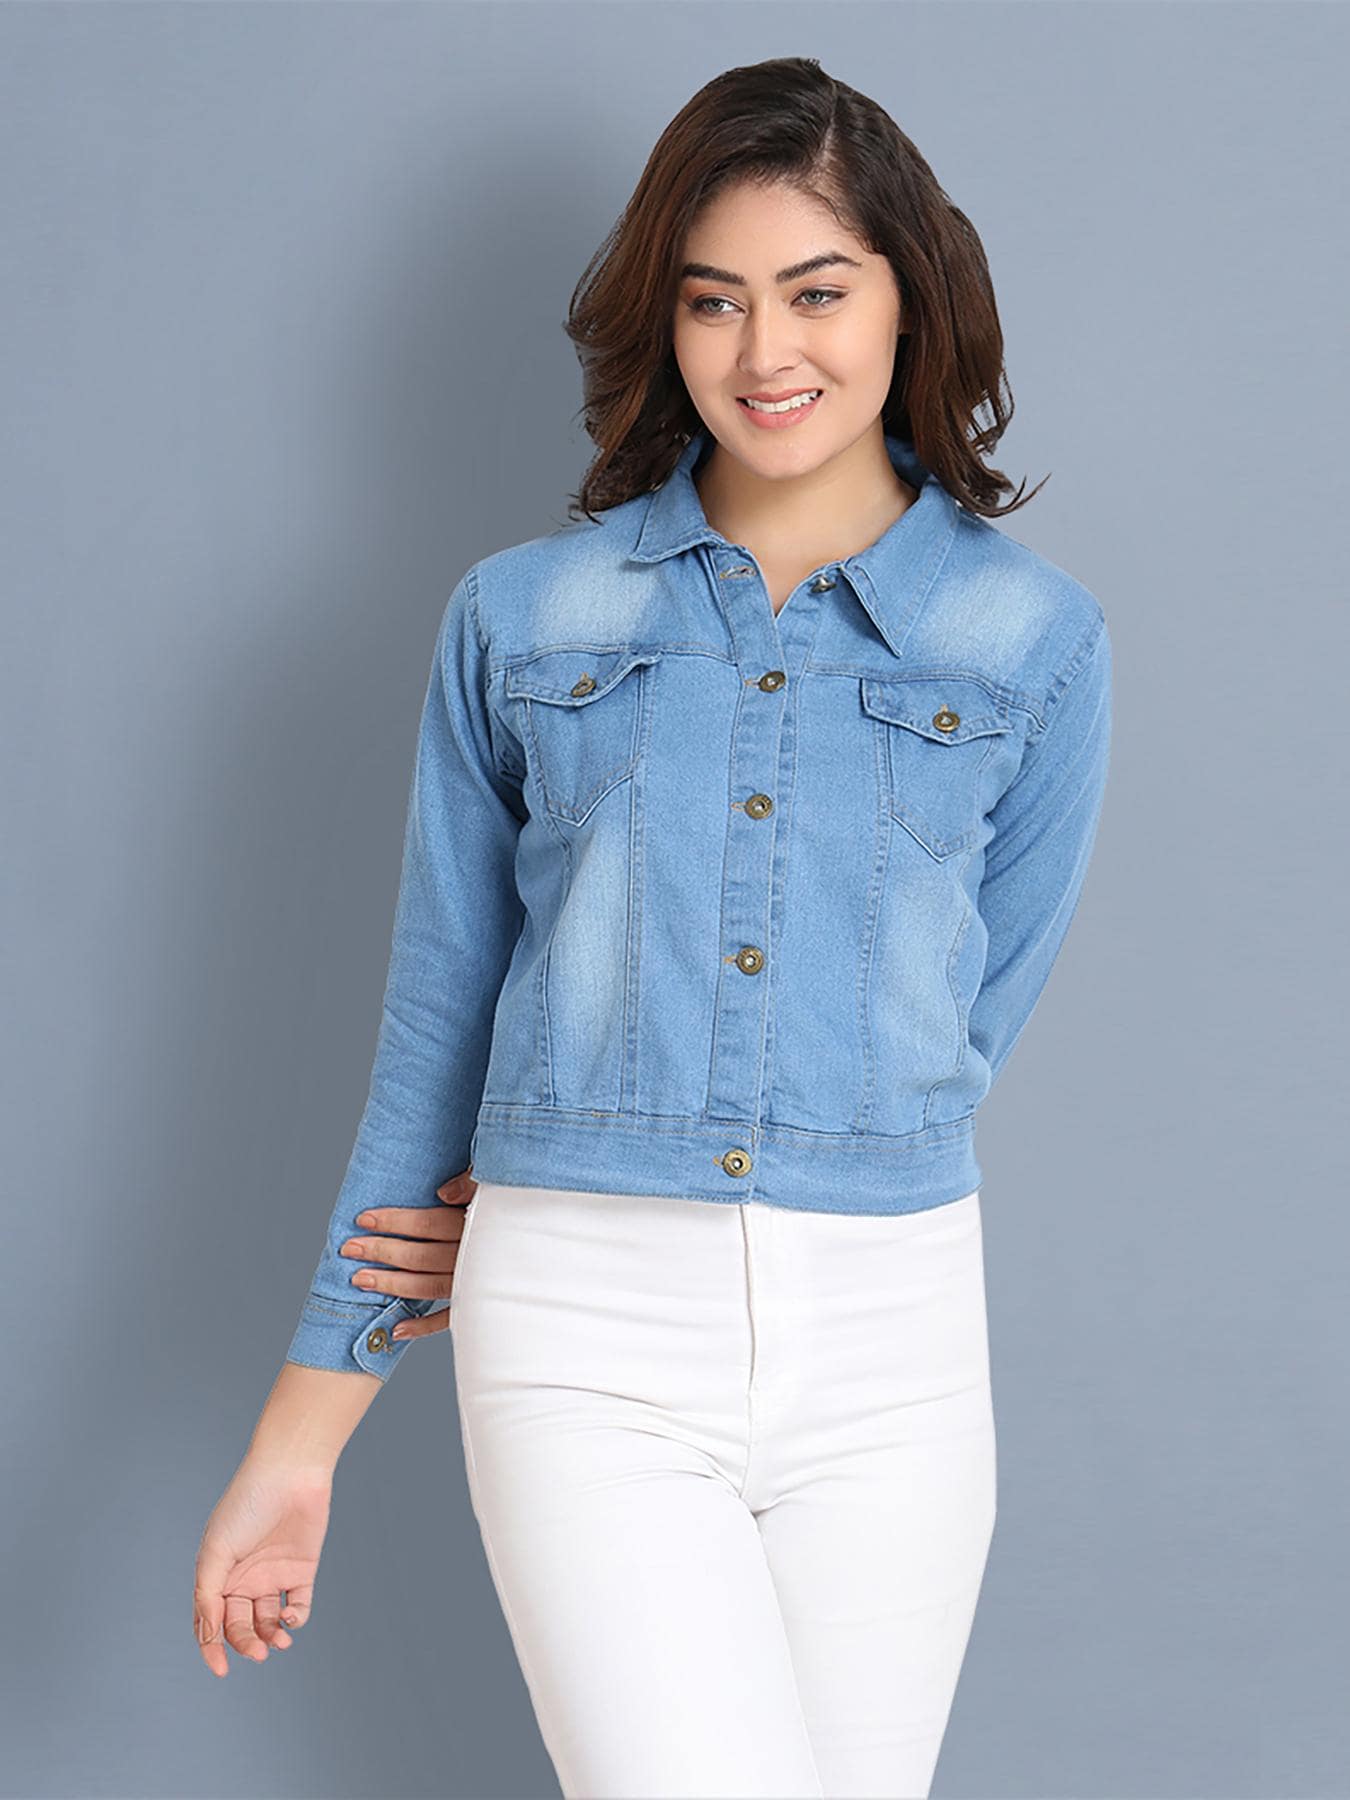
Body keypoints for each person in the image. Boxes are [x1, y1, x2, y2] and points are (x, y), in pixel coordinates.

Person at [193, 55, 1113, 1800]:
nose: (764, 352)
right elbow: (441, 1025)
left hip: (897, 1341)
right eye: (713, 301)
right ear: (664, 323)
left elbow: (965, 1012)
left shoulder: (1028, 638)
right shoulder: (524, 617)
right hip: (586, 1329)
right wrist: (301, 1439)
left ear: (907, 299)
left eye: (815, 292)